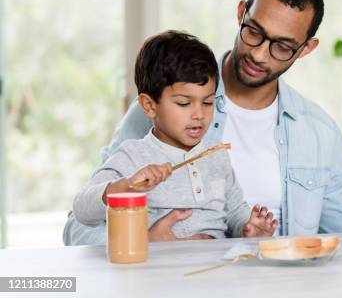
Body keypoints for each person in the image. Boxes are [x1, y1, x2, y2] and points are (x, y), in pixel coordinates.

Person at [64, 0, 342, 245]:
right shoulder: (162, 106)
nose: (259, 54)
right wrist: (143, 243)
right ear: (240, 12)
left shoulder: (320, 132)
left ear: (306, 49)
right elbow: (78, 228)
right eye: (254, 32)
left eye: (282, 47)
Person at [72, 31, 277, 239]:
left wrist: (248, 227)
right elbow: (81, 208)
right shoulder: (133, 157)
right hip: (159, 269)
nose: (199, 114)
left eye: (208, 102)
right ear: (150, 106)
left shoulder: (216, 154)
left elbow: (234, 212)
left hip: (218, 268)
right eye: (183, 103)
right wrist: (125, 187)